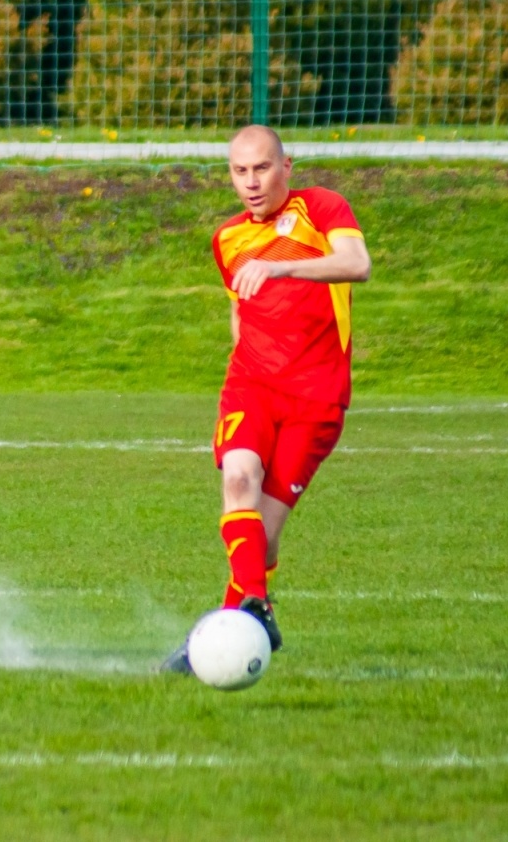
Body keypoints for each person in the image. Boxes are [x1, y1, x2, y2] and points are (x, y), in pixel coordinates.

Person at [168, 125, 370, 670]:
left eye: (262, 168)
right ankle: (236, 624)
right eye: (239, 171)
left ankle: (241, 617)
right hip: (252, 387)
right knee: (237, 481)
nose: (251, 182)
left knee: (265, 537)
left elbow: (357, 265)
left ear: (287, 166)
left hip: (318, 399)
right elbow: (241, 308)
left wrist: (281, 264)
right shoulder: (227, 238)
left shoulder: (322, 208)